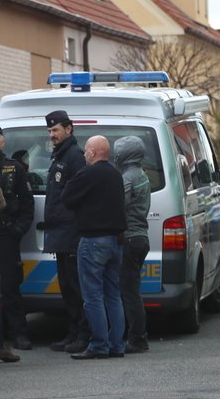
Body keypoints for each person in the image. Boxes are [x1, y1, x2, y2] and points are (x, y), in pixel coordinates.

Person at [61, 136, 127, 359]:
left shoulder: (87, 174)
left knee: (92, 296)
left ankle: (99, 344)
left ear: (92, 153)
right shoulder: (116, 175)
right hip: (115, 242)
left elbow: (67, 197)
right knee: (113, 295)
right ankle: (117, 344)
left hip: (92, 241)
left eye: (86, 151)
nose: (84, 155)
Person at [0, 124, 35, 359]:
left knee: (10, 286)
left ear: (3, 142)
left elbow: (26, 203)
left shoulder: (14, 168)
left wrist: (18, 230)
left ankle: (19, 333)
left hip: (6, 233)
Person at [41, 110, 88, 354]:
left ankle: (82, 334)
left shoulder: (75, 156)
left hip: (72, 233)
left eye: (55, 130)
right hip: (61, 233)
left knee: (76, 287)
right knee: (67, 288)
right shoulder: (60, 156)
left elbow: (78, 196)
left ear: (69, 129)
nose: (52, 135)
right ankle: (73, 333)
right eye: (49, 131)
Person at [114, 136, 152, 354]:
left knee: (129, 292)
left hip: (129, 239)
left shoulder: (127, 178)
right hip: (140, 238)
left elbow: (118, 205)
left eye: (118, 151)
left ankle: (137, 338)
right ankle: (137, 336)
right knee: (131, 290)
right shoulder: (141, 174)